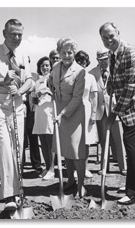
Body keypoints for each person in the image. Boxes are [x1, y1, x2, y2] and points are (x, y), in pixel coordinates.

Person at [0, 19, 35, 210]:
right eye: (13, 34)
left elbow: (30, 81)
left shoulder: (23, 54)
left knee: (18, 148)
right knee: (5, 144)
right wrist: (3, 79)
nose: (17, 38)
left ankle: (10, 187)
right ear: (4, 33)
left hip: (17, 105)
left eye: (20, 34)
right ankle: (10, 195)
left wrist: (21, 91)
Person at [99, 22, 135, 205]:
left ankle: (134, 193)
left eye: (111, 35)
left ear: (118, 33)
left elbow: (130, 87)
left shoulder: (131, 52)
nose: (109, 40)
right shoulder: (114, 53)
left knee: (132, 147)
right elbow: (117, 77)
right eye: (105, 37)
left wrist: (114, 113)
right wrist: (111, 82)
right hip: (126, 103)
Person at [49, 37, 87, 198]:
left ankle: (81, 185)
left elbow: (77, 98)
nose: (66, 56)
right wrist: (50, 89)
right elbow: (51, 82)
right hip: (58, 108)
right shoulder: (56, 67)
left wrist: (62, 114)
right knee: (65, 149)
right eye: (63, 52)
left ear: (74, 53)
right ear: (59, 53)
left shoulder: (80, 71)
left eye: (69, 52)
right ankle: (70, 180)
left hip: (74, 111)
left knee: (76, 149)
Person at [89, 48, 127, 175]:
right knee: (103, 139)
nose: (104, 62)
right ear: (97, 60)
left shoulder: (116, 69)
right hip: (100, 110)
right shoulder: (92, 73)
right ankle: (104, 167)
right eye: (101, 60)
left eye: (106, 59)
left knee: (118, 138)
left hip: (115, 109)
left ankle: (123, 167)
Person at [74, 50, 98, 179]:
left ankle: (85, 167)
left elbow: (94, 97)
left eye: (84, 62)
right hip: (73, 109)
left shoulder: (91, 77)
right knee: (74, 140)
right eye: (78, 61)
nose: (81, 64)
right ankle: (74, 169)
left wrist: (93, 114)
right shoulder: (71, 77)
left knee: (86, 141)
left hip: (87, 109)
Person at [32, 56, 55, 180]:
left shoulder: (53, 78)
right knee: (43, 141)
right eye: (42, 66)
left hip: (49, 110)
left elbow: (55, 93)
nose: (45, 68)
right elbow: (35, 97)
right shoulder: (38, 81)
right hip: (39, 111)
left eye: (47, 65)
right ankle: (47, 166)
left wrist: (46, 91)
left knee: (50, 141)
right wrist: (34, 99)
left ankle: (52, 168)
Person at [23, 56, 42, 174]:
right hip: (20, 108)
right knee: (20, 139)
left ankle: (36, 163)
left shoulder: (36, 76)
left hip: (32, 110)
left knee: (33, 137)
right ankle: (20, 164)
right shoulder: (16, 75)